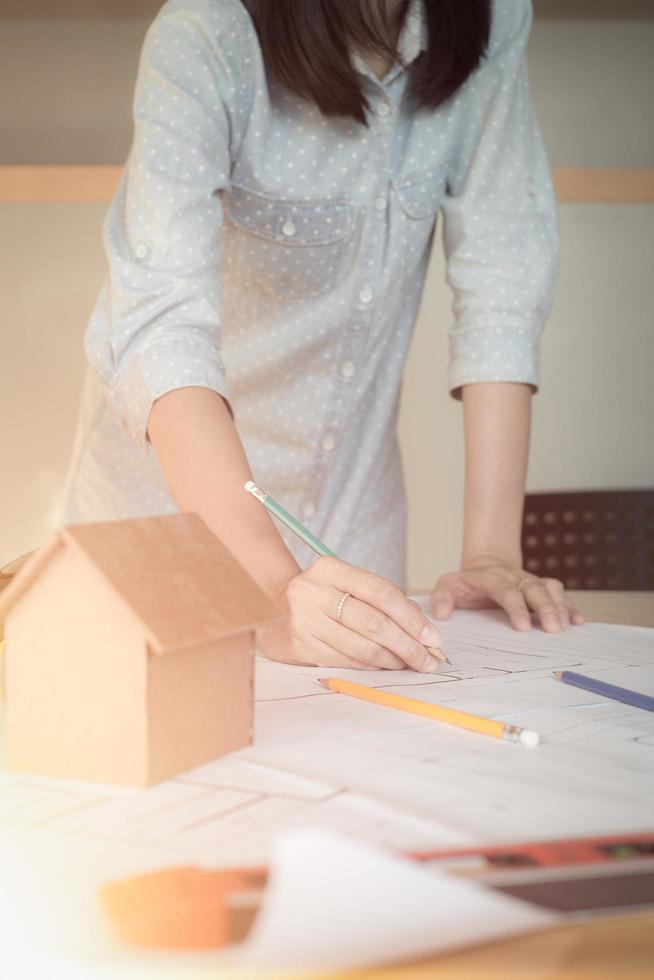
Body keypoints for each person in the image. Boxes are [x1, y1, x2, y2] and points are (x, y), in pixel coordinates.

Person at [59, 0, 584, 673]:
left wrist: (490, 553)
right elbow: (163, 327)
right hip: (173, 518)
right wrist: (273, 590)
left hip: (349, 518)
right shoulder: (207, 32)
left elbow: (503, 279)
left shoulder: (495, 19)